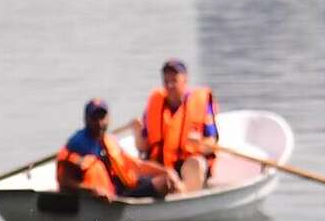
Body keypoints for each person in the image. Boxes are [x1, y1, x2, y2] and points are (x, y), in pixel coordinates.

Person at [57, 98, 178, 199]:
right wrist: (91, 190)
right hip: (107, 201)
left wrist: (166, 171)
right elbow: (64, 181)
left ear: (108, 118)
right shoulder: (77, 145)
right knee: (164, 183)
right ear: (86, 119)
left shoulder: (109, 141)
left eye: (102, 117)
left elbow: (137, 166)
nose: (99, 123)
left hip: (121, 189)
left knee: (167, 178)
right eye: (94, 118)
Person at [136, 58, 219, 195]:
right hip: (162, 166)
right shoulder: (155, 103)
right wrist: (137, 130)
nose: (170, 86)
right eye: (166, 81)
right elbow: (144, 145)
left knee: (195, 164)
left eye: (174, 80)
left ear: (185, 80)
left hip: (188, 166)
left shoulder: (201, 104)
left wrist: (198, 144)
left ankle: (185, 198)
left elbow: (211, 143)